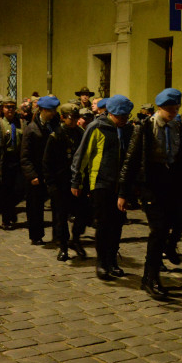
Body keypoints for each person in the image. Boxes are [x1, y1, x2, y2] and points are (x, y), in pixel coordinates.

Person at [118, 88, 182, 299]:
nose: (173, 112)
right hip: (152, 184)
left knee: (179, 220)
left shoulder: (179, 127)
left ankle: (167, 251)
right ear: (160, 108)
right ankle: (150, 278)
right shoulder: (145, 128)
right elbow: (130, 161)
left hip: (173, 185)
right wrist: (124, 192)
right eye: (170, 109)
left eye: (176, 109)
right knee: (158, 231)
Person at [72, 95, 133, 280]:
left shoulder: (127, 129)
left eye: (126, 116)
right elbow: (82, 154)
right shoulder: (97, 127)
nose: (124, 120)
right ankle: (102, 262)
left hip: (120, 185)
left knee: (117, 225)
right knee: (104, 225)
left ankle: (112, 260)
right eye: (120, 116)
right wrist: (76, 179)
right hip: (101, 183)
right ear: (111, 113)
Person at [44, 104, 86, 261]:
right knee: (61, 217)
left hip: (77, 182)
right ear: (63, 117)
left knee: (82, 215)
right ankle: (63, 246)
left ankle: (75, 240)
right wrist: (51, 184)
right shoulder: (56, 135)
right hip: (61, 182)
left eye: (76, 117)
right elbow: (47, 162)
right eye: (71, 118)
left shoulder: (80, 134)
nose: (74, 121)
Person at [21, 95, 60, 245]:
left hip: (51, 173)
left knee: (57, 206)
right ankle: (36, 235)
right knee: (35, 207)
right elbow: (25, 155)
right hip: (36, 174)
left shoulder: (53, 126)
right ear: (43, 110)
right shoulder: (32, 129)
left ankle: (58, 235)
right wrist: (31, 175)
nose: (53, 113)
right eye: (51, 110)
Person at [0, 100, 25, 231]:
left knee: (18, 190)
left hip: (17, 161)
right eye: (7, 107)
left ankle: (11, 211)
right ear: (2, 109)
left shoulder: (21, 124)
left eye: (12, 108)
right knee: (6, 191)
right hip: (4, 161)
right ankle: (6, 219)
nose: (10, 110)